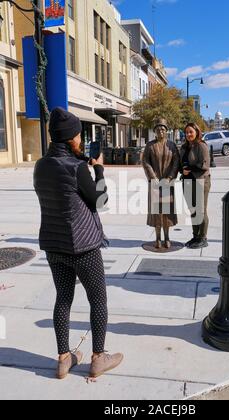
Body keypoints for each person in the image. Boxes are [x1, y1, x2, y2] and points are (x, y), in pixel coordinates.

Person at [34, 107, 123, 380]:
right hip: (83, 247)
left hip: (53, 245)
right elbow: (101, 201)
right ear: (70, 138)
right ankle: (98, 358)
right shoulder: (75, 168)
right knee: (98, 300)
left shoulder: (40, 165)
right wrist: (98, 169)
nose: (81, 140)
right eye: (78, 135)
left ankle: (63, 359)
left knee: (63, 299)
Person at [142, 118, 180, 249]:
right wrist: (153, 177)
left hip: (167, 183)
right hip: (155, 184)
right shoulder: (150, 145)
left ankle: (167, 237)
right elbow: (145, 162)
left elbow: (176, 163)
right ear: (154, 131)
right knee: (156, 212)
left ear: (166, 131)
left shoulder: (172, 145)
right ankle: (157, 238)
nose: (161, 131)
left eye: (163, 129)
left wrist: (169, 178)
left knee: (167, 211)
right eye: (158, 129)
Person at [180, 123, 211, 249]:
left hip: (200, 181)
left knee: (200, 210)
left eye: (190, 132)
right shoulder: (184, 147)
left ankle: (203, 238)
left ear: (197, 132)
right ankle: (195, 236)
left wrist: (190, 169)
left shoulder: (201, 146)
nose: (188, 134)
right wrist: (182, 170)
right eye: (186, 132)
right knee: (192, 210)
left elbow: (205, 165)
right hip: (187, 181)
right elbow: (180, 163)